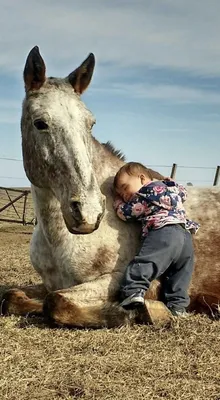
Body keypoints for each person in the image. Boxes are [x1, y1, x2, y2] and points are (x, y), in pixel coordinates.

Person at [113, 162, 200, 316]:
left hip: (164, 231)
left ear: (142, 178)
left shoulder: (147, 192)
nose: (125, 196)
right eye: (120, 195)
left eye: (125, 188)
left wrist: (118, 204)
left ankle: (133, 291)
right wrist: (171, 182)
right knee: (181, 272)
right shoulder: (171, 189)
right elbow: (184, 193)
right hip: (185, 235)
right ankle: (177, 305)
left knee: (147, 260)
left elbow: (128, 213)